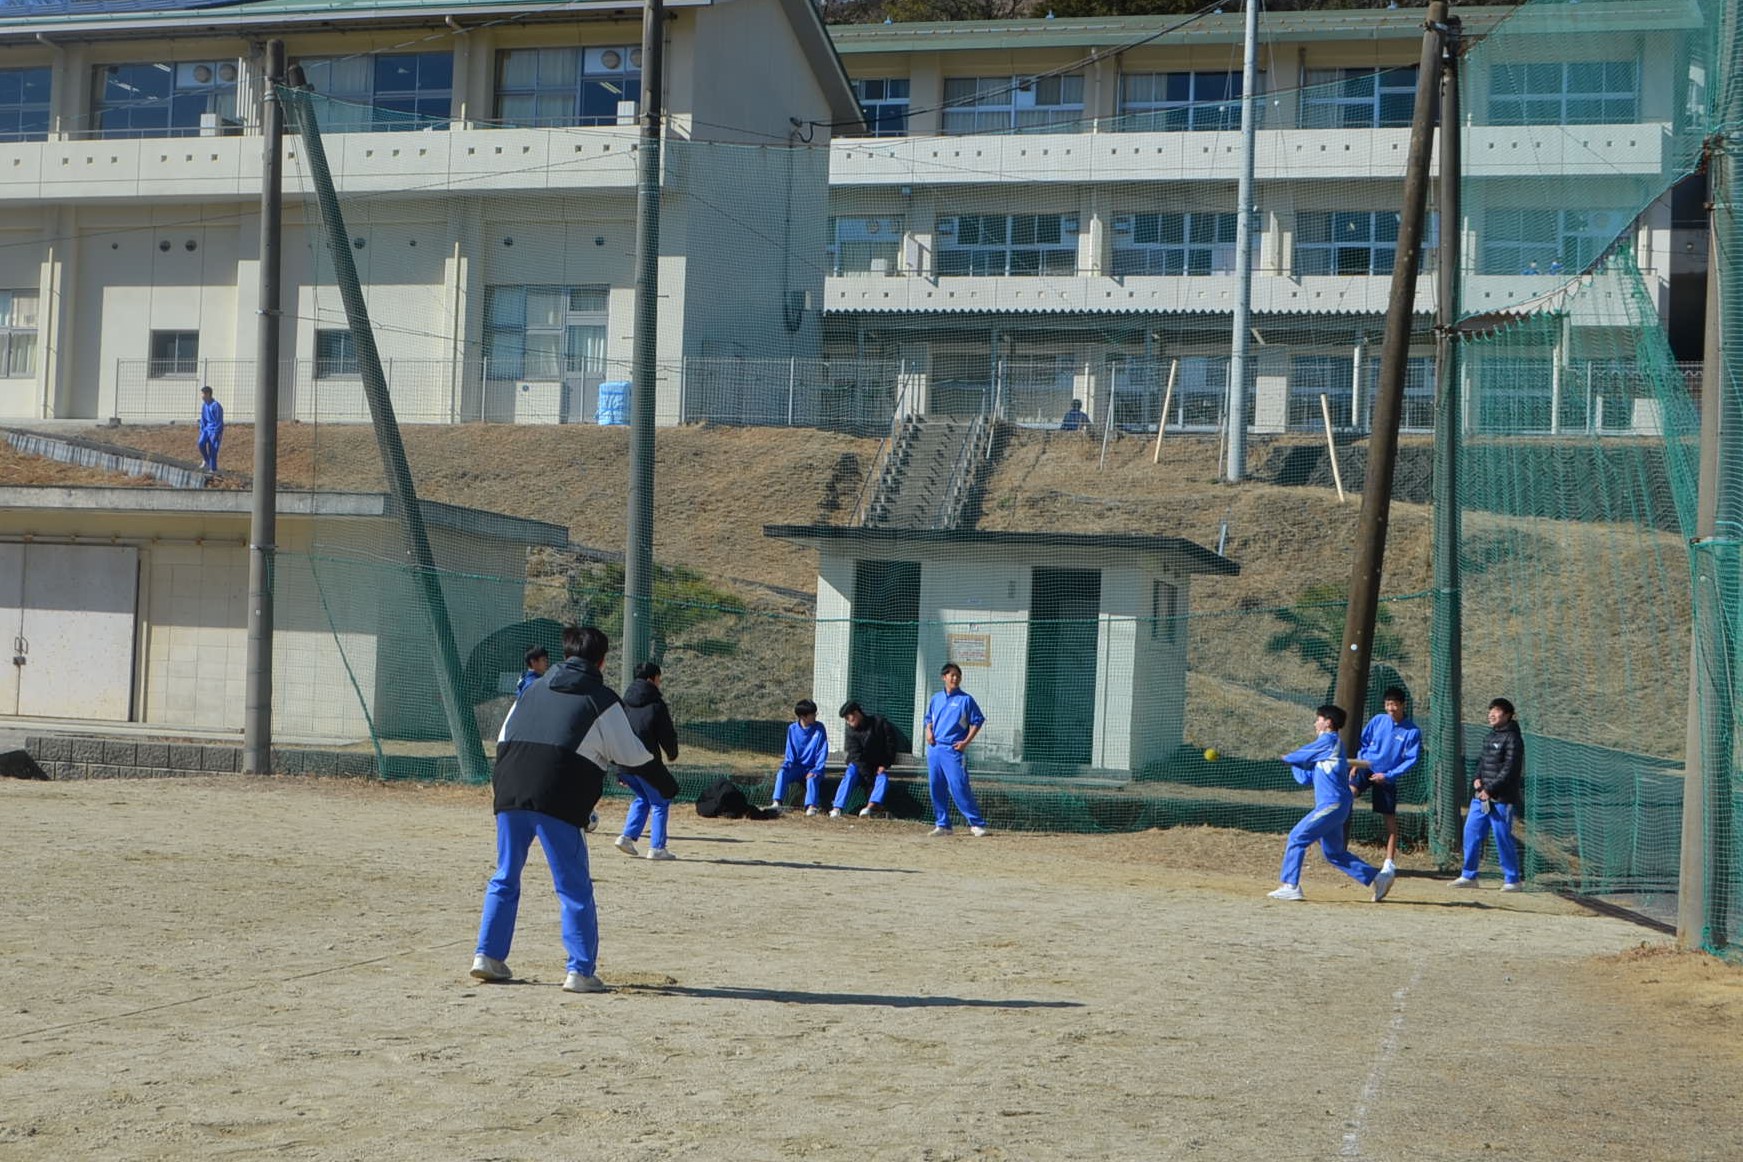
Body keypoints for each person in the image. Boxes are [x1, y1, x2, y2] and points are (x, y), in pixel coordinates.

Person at [470, 624, 653, 995]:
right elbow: (630, 754)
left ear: (564, 654)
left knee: (505, 874)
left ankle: (486, 955)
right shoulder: (600, 697)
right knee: (572, 886)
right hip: (557, 796)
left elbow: (504, 737)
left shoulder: (532, 689)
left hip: (510, 788)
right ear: (602, 659)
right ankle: (580, 970)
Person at [1269, 704, 1396, 903]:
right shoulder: (1323, 751)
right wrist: (1294, 763)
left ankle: (1290, 885)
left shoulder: (1329, 741)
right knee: (1334, 853)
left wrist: (1289, 757)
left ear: (1328, 722)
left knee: (1296, 837)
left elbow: (1301, 755)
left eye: (1318, 719)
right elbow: (1305, 777)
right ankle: (1377, 878)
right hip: (1336, 806)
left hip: (1332, 805)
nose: (1315, 723)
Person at [1450, 697, 1526, 892]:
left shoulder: (1513, 739)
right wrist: (1477, 779)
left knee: (1501, 836)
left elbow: (1509, 769)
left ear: (1508, 715)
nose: (1491, 714)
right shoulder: (1490, 736)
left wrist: (1490, 789)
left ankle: (1512, 879)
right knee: (1471, 832)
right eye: (1490, 710)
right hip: (1481, 797)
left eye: (1497, 710)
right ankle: (1469, 875)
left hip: (1501, 799)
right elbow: (1482, 763)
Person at [614, 661, 682, 861]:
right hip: (646, 763)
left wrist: (617, 767)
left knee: (644, 797)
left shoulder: (623, 703)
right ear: (652, 679)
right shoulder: (656, 704)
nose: (660, 682)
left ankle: (626, 837)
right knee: (660, 801)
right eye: (659, 678)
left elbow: (615, 732)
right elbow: (666, 732)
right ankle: (657, 848)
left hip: (624, 763)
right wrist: (672, 752)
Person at [1349, 686, 1422, 871]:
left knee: (1389, 817)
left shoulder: (1412, 731)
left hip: (1387, 776)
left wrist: (1388, 775)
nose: (1391, 708)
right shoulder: (1377, 720)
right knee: (1347, 795)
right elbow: (1363, 743)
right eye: (1388, 704)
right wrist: (1357, 764)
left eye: (1395, 704)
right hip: (1367, 767)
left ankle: (1389, 862)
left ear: (1403, 705)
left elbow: (1410, 760)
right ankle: (1337, 844)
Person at [923, 663, 990, 837]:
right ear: (943, 677)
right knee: (936, 786)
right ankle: (943, 824)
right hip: (935, 749)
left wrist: (966, 742)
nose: (955, 678)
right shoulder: (936, 698)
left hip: (953, 749)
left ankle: (976, 823)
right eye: (951, 675)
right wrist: (928, 731)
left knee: (959, 785)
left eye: (958, 676)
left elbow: (977, 721)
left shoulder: (965, 700)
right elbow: (928, 718)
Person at [833, 699, 902, 819]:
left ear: (856, 713)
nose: (848, 722)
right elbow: (856, 757)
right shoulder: (851, 733)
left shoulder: (880, 724)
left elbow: (891, 746)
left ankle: (871, 807)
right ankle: (837, 808)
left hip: (877, 766)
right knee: (850, 772)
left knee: (883, 778)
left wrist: (884, 764)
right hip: (860, 768)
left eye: (848, 718)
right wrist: (869, 780)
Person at [769, 698, 828, 815]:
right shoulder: (792, 729)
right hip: (797, 767)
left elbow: (822, 751)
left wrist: (817, 769)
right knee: (782, 773)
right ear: (803, 716)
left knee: (812, 778)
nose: (815, 716)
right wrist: (787, 765)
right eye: (813, 714)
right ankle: (777, 802)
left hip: (813, 767)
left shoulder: (819, 728)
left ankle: (811, 806)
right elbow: (789, 752)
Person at [197, 385, 224, 473]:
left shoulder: (216, 406)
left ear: (208, 394)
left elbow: (219, 420)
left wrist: (216, 433)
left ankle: (213, 469)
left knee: (213, 449)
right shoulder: (204, 405)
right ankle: (206, 459)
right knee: (201, 443)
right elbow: (203, 418)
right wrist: (202, 429)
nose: (202, 396)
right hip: (206, 429)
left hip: (215, 430)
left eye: (203, 394)